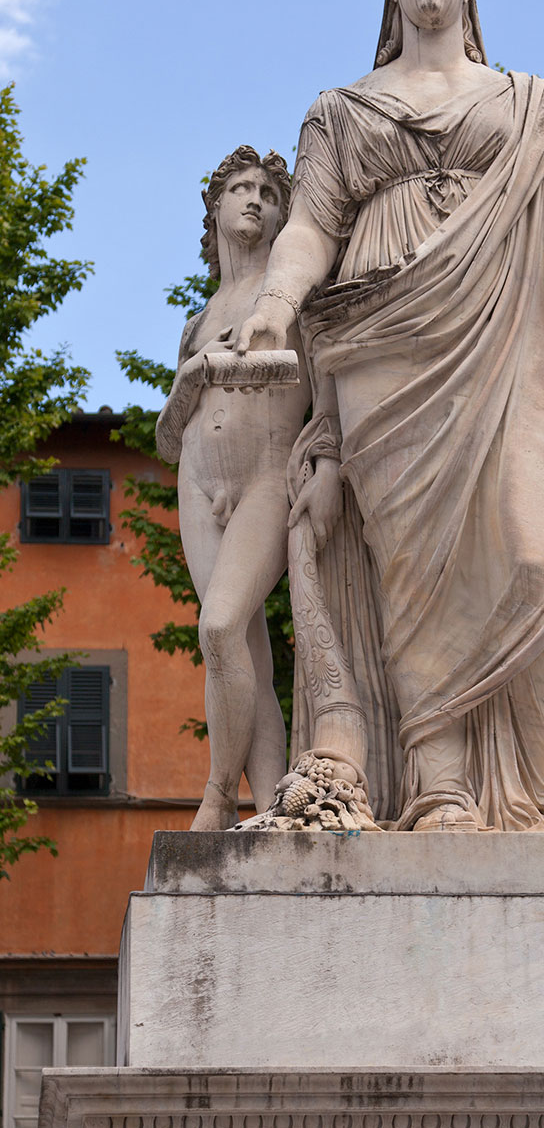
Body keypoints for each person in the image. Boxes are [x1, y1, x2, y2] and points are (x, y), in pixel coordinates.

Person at [237, 0, 544, 832]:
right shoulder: (343, 112)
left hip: (511, 341)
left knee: (530, 546)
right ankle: (437, 785)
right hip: (381, 341)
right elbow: (311, 226)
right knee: (409, 567)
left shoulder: (537, 108)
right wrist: (274, 305)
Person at [156, 146, 310, 830]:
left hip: (266, 476)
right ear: (215, 209)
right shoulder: (196, 319)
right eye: (241, 189)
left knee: (217, 625)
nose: (255, 199)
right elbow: (166, 436)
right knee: (242, 648)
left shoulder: (292, 295)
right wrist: (193, 376)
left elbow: (315, 391)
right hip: (197, 478)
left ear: (282, 216)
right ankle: (275, 803)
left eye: (269, 193)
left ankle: (218, 794)